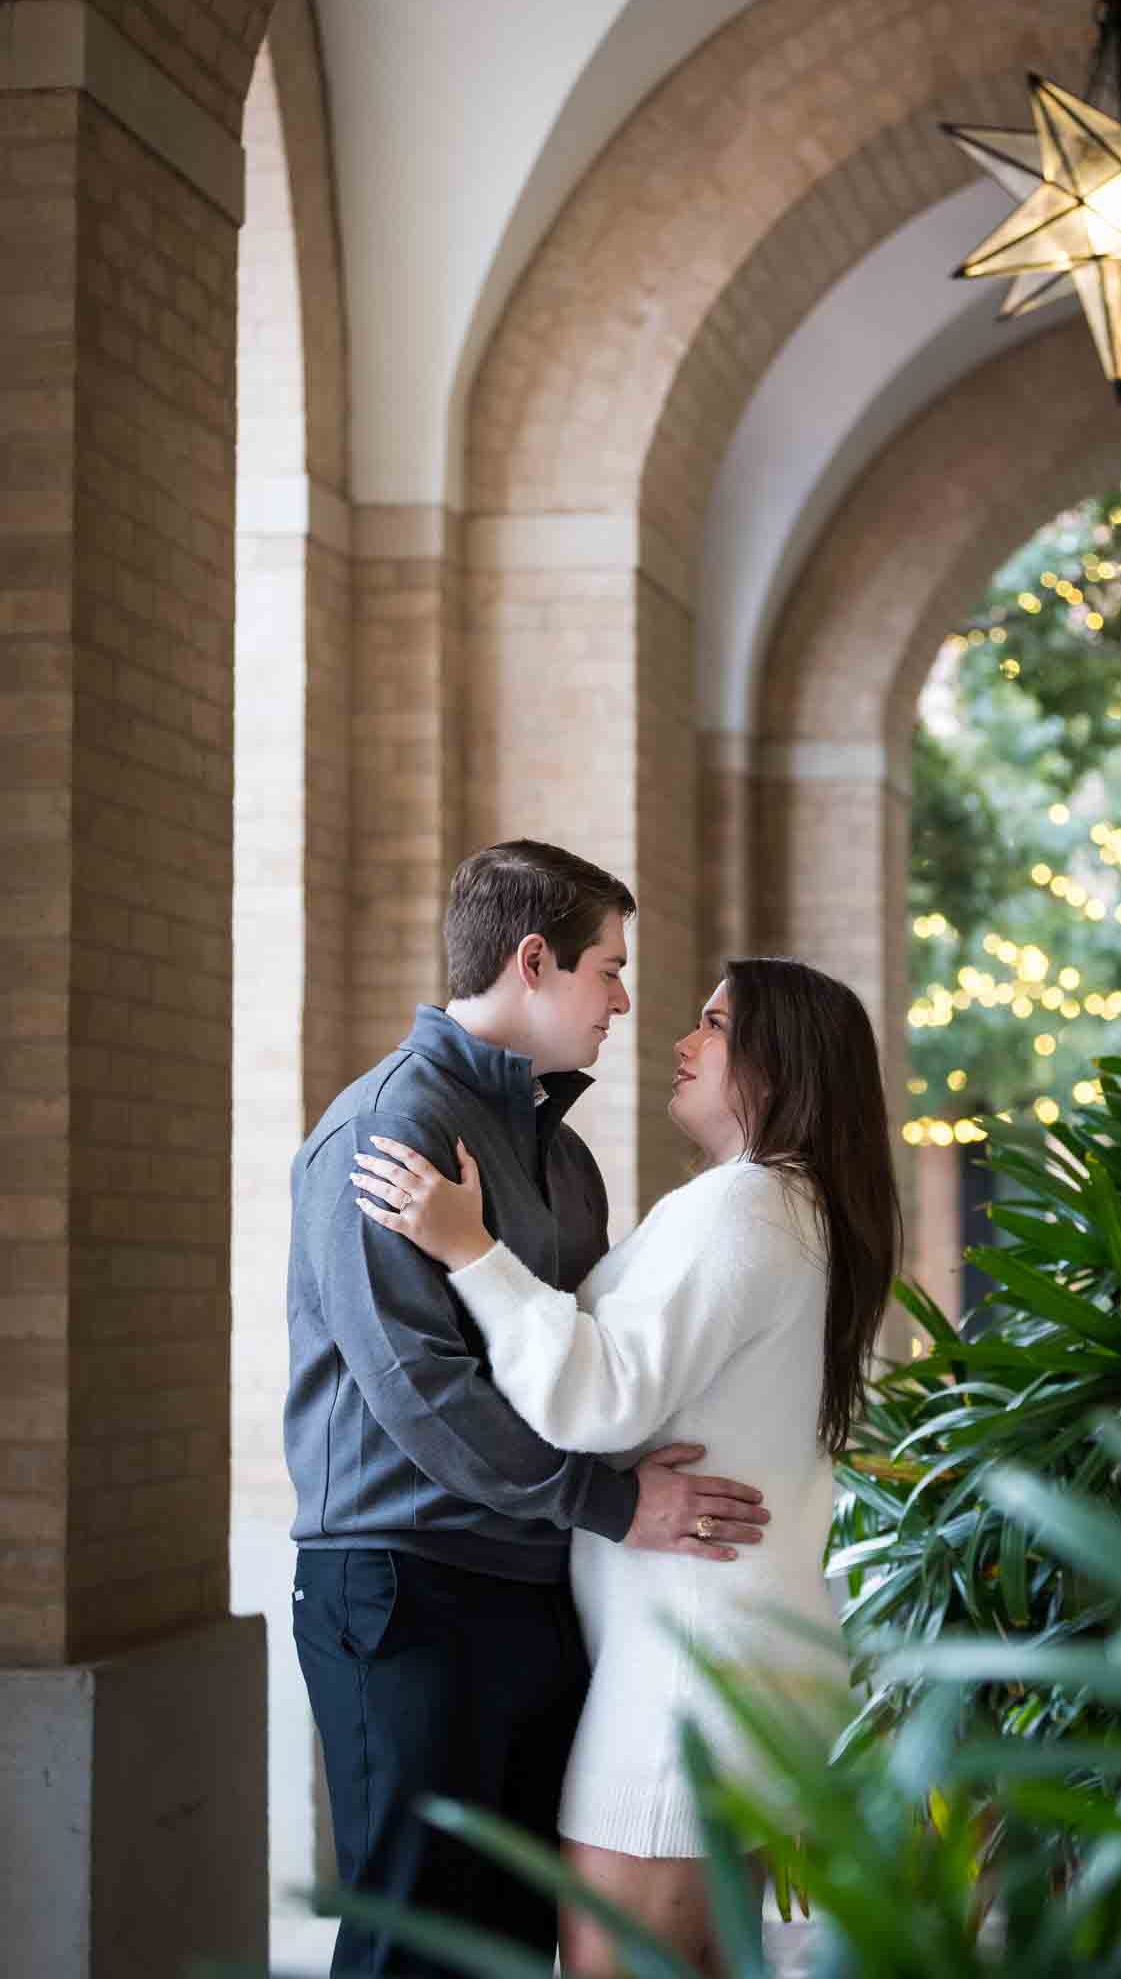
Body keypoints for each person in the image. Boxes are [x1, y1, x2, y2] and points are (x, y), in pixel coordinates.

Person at [352, 955, 903, 1977]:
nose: (681, 1043)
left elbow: (598, 1398)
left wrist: (471, 1250)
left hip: (683, 1678)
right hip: (744, 1656)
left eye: (714, 1023)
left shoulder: (741, 1205)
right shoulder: (804, 1210)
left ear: (778, 1066)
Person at [284, 840, 771, 1979]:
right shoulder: (384, 1129)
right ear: (534, 959)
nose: (624, 996)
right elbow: (420, 1388)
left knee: (506, 1944)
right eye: (608, 966)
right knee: (422, 1941)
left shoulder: (563, 1158)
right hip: (404, 1580)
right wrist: (613, 1504)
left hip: (530, 1581)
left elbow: (582, 1365)